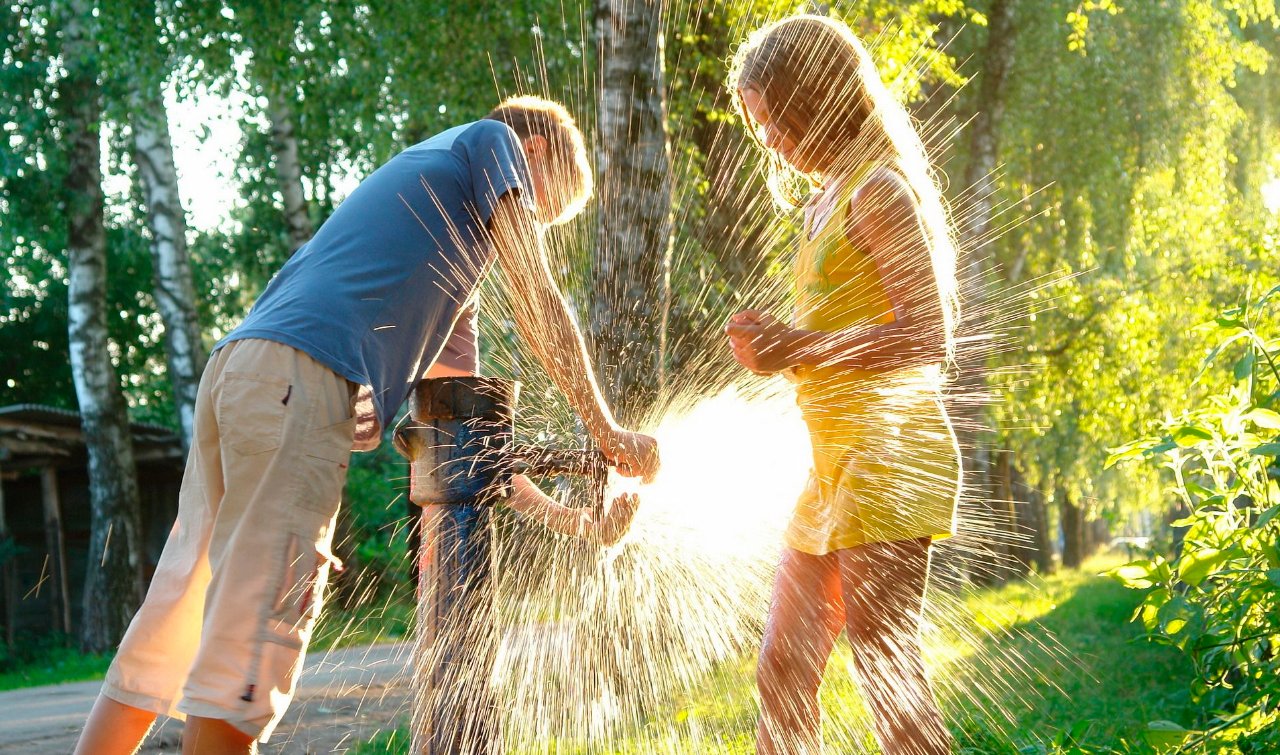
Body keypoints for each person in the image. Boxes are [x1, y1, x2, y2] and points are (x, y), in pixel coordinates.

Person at [74, 95, 659, 755]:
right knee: (255, 628)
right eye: (542, 209)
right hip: (300, 379)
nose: (531, 225)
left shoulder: (444, 247)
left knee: (180, 612)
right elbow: (537, 294)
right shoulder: (492, 144)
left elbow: (462, 456)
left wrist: (581, 523)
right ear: (537, 153)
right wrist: (608, 430)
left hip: (243, 371)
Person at [723, 15, 961, 755]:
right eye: (760, 128)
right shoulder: (824, 202)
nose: (771, 142)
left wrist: (800, 345)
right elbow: (830, 341)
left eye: (777, 121)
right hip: (832, 465)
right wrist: (778, 351)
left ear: (821, 97)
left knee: (887, 673)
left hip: (889, 456)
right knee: (783, 668)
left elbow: (929, 335)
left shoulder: (878, 190)